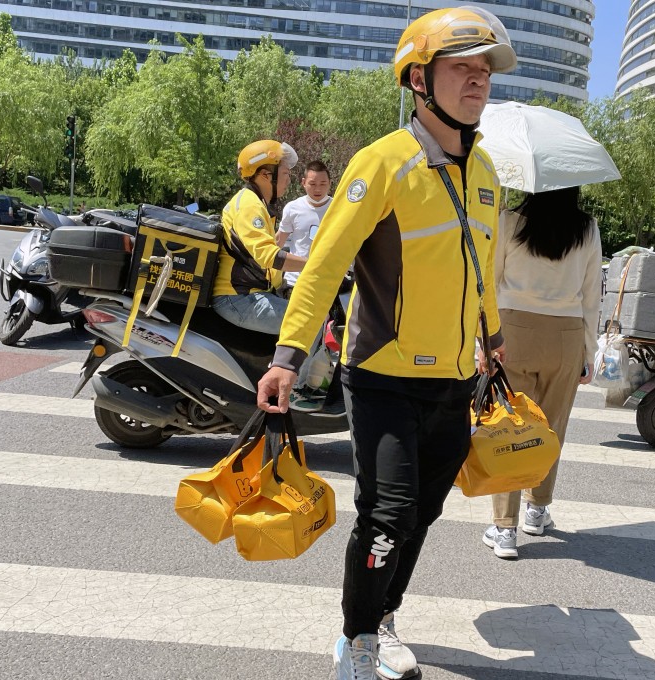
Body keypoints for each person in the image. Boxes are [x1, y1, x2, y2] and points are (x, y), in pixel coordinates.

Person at [255, 7, 516, 679]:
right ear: (420, 80)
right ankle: (356, 641)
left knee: (422, 515)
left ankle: (385, 613)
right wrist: (288, 357)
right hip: (383, 374)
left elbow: (482, 269)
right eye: (462, 67)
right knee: (386, 516)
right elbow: (323, 266)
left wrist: (492, 337)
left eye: (485, 70)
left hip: (456, 380)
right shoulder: (384, 162)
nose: (478, 80)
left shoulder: (485, 172)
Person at [481, 186, 602, 559]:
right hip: (564, 334)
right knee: (551, 425)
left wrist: (482, 342)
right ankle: (537, 508)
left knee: (508, 426)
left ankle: (505, 529)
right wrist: (588, 349)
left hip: (513, 331)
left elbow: (490, 281)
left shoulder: (510, 220)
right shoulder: (587, 228)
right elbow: (591, 294)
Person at [211, 140, 307, 334]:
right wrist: (317, 264)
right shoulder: (250, 206)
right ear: (265, 175)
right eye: (286, 173)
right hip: (238, 298)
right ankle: (285, 366)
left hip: (251, 294)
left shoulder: (257, 203)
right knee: (307, 322)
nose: (289, 179)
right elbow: (269, 256)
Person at [276, 160, 333, 291]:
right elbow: (279, 241)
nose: (317, 189)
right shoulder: (292, 208)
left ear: (330, 183)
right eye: (312, 184)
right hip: (296, 282)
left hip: (330, 281)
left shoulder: (339, 208)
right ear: (303, 183)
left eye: (323, 184)